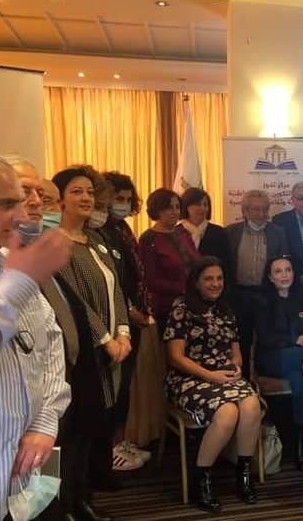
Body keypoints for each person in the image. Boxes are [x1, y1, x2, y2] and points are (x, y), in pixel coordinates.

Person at [0, 153, 71, 521]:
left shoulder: (5, 264)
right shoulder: (16, 275)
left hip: (22, 482)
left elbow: (48, 342)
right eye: (7, 204)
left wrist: (43, 422)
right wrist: (18, 282)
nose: (23, 215)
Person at [52, 166, 133, 520]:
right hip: (82, 353)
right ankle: (65, 505)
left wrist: (124, 333)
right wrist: (105, 339)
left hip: (111, 350)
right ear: (59, 200)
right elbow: (75, 301)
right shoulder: (55, 243)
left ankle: (82, 498)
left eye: (89, 191)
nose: (86, 198)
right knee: (73, 432)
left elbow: (115, 290)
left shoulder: (96, 239)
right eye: (76, 191)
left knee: (91, 431)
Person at [164, 256, 261, 510]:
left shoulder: (226, 310)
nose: (215, 283)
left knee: (251, 405)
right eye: (208, 279)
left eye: (219, 278)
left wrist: (235, 366)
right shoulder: (181, 308)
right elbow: (175, 357)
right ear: (196, 282)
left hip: (223, 376)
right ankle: (201, 478)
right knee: (227, 412)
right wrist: (210, 376)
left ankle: (243, 473)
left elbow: (236, 352)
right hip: (189, 378)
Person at [100, 172, 154, 468]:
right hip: (116, 320)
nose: (123, 204)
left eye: (127, 199)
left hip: (133, 318)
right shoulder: (100, 231)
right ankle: (110, 448)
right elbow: (112, 282)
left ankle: (119, 441)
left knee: (125, 387)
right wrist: (131, 311)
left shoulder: (122, 228)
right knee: (114, 387)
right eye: (117, 199)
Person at [255, 255, 303, 470]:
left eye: (288, 270)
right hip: (272, 357)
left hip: (299, 361)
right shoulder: (262, 301)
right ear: (270, 277)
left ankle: (300, 438)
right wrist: (296, 340)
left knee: (301, 376)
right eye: (278, 271)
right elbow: (265, 338)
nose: (284, 275)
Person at [225, 189, 289, 378]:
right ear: (245, 210)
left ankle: (263, 381)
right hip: (239, 295)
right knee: (241, 340)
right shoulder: (230, 232)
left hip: (267, 295)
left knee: (266, 340)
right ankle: (243, 378)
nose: (261, 214)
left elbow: (284, 262)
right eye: (255, 209)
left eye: (264, 209)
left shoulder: (278, 233)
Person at [139, 188, 200, 334]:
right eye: (168, 208)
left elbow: (198, 260)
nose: (175, 212)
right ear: (157, 210)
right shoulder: (148, 239)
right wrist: (184, 289)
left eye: (177, 207)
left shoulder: (183, 232)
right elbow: (151, 281)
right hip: (167, 309)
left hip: (195, 303)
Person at [177, 187, 231, 271]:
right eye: (198, 204)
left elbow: (227, 264)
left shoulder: (218, 233)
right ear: (186, 206)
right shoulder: (176, 232)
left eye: (205, 205)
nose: (202, 208)